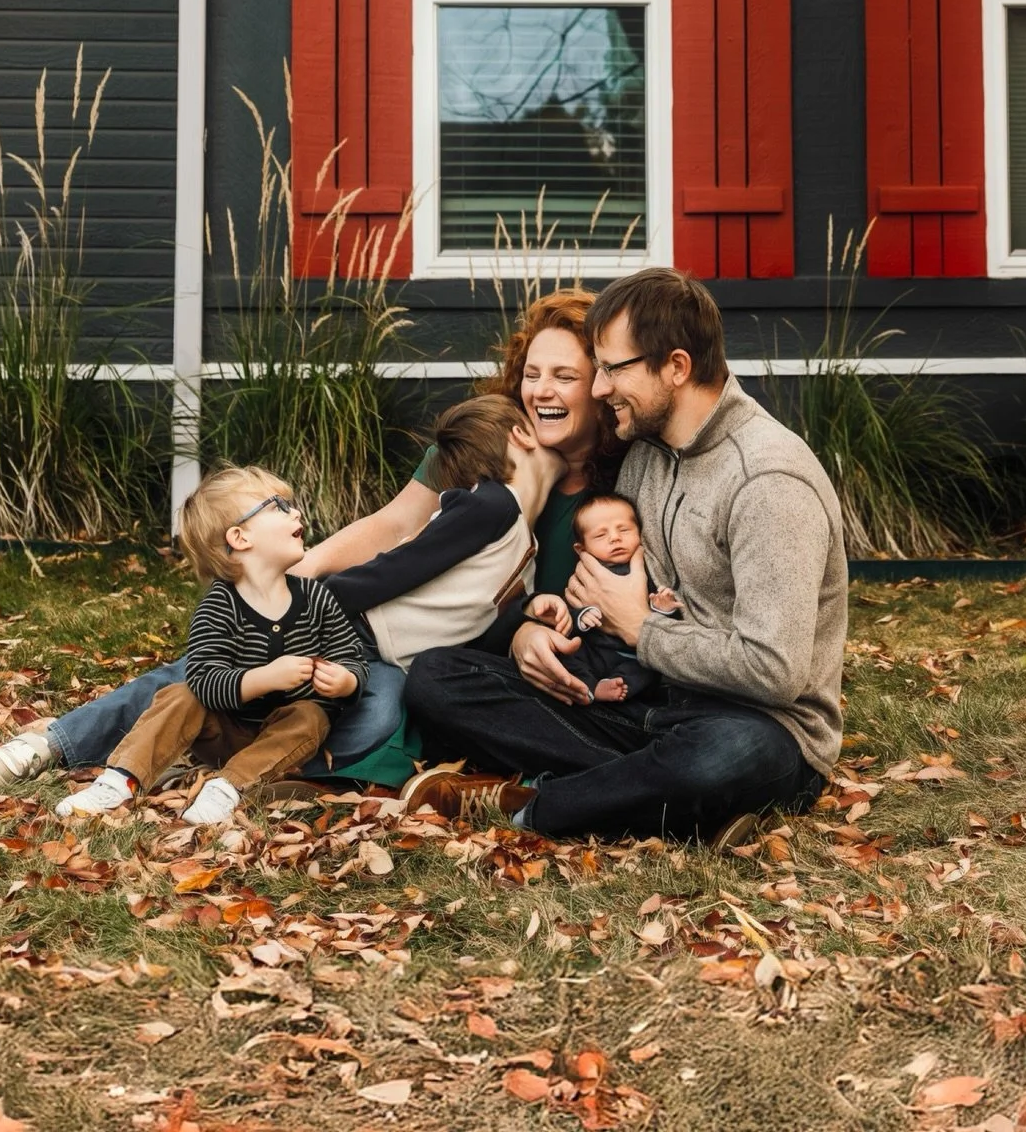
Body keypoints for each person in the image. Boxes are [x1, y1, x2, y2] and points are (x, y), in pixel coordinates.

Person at [0, 291, 615, 793]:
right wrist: (297, 582)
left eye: (565, 375)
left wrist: (530, 623)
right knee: (223, 667)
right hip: (369, 627)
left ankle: (245, 759)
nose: (541, 391)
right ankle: (58, 743)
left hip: (440, 670)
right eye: (533, 374)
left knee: (371, 707)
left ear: (602, 383)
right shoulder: (482, 462)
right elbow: (394, 534)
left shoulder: (614, 488)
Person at [402, 268, 849, 845]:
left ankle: (535, 805)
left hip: (755, 722)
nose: (599, 387)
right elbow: (605, 599)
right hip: (638, 700)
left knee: (724, 756)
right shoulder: (647, 455)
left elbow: (774, 671)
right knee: (438, 678)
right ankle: (661, 800)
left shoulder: (767, 480)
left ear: (676, 367)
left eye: (613, 368)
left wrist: (642, 629)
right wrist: (532, 632)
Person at [56, 467, 368, 824]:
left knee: (311, 716)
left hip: (283, 741)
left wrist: (347, 680)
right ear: (239, 537)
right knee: (180, 695)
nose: (296, 512)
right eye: (278, 507)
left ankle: (226, 788)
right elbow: (205, 681)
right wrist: (265, 677)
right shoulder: (220, 605)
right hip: (224, 732)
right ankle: (121, 779)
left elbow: (351, 655)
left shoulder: (316, 597)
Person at [323, 394, 563, 669]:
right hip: (359, 633)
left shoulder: (525, 549)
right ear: (521, 435)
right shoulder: (490, 505)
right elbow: (401, 565)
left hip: (393, 663)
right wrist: (314, 601)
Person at [548, 494, 673, 704]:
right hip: (593, 647)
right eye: (600, 535)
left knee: (648, 668)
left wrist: (662, 608)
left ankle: (615, 685)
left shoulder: (646, 570)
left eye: (624, 530)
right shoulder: (586, 575)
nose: (615, 538)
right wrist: (581, 616)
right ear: (581, 548)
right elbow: (568, 609)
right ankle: (589, 686)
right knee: (567, 654)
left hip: (633, 653)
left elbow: (661, 625)